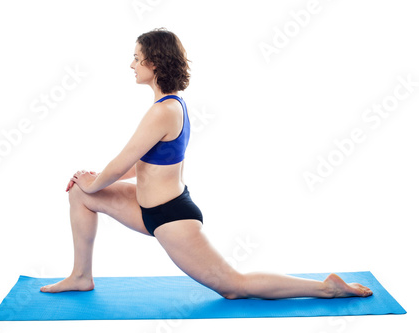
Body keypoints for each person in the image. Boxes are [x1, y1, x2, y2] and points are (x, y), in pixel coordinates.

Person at [40, 28, 372, 300]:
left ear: (154, 63)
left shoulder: (164, 111)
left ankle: (326, 288)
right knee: (80, 195)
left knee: (233, 287)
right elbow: (139, 162)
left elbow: (119, 163)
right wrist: (90, 182)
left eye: (136, 58)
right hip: (146, 209)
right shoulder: (166, 106)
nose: (132, 65)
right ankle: (81, 276)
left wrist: (95, 179)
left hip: (171, 215)